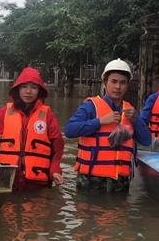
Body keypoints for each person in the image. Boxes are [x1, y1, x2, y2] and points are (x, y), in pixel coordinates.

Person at [0, 67, 64, 191]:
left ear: (39, 91)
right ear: (17, 89)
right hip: (8, 179)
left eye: (33, 87)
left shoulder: (48, 116)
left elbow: (58, 147)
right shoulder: (2, 114)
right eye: (24, 87)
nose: (28, 91)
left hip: (38, 183)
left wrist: (55, 169)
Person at [65, 58, 151, 193]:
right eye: (114, 81)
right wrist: (100, 121)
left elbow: (146, 141)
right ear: (105, 82)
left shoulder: (130, 111)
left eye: (122, 83)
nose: (118, 87)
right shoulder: (90, 106)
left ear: (127, 85)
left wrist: (136, 120)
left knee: (118, 213)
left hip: (120, 181)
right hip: (91, 179)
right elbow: (69, 130)